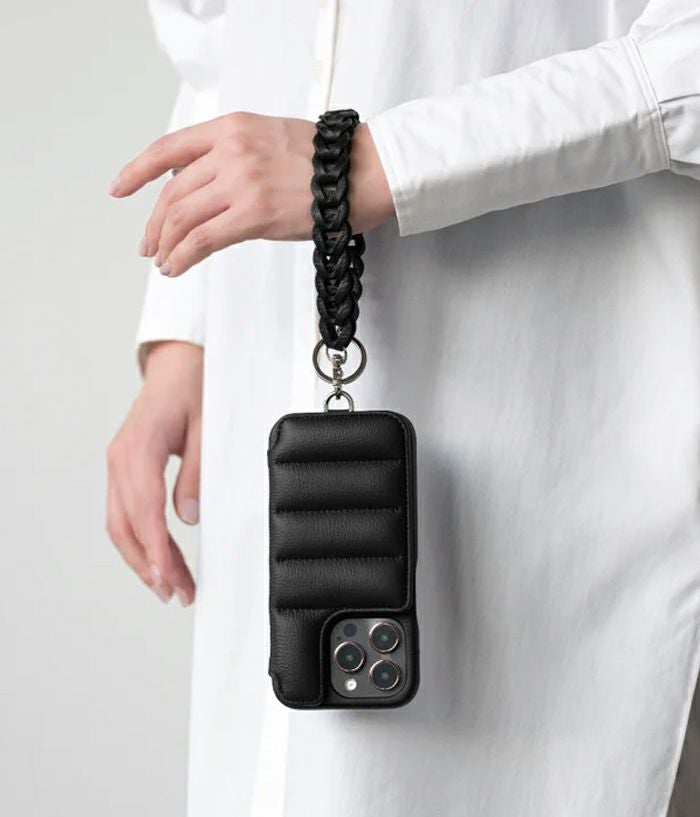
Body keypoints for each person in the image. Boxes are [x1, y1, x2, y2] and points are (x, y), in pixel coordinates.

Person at [106, 0, 700, 815]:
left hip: (567, 414)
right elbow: (215, 48)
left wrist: (382, 161)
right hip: (263, 375)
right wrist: (183, 342)